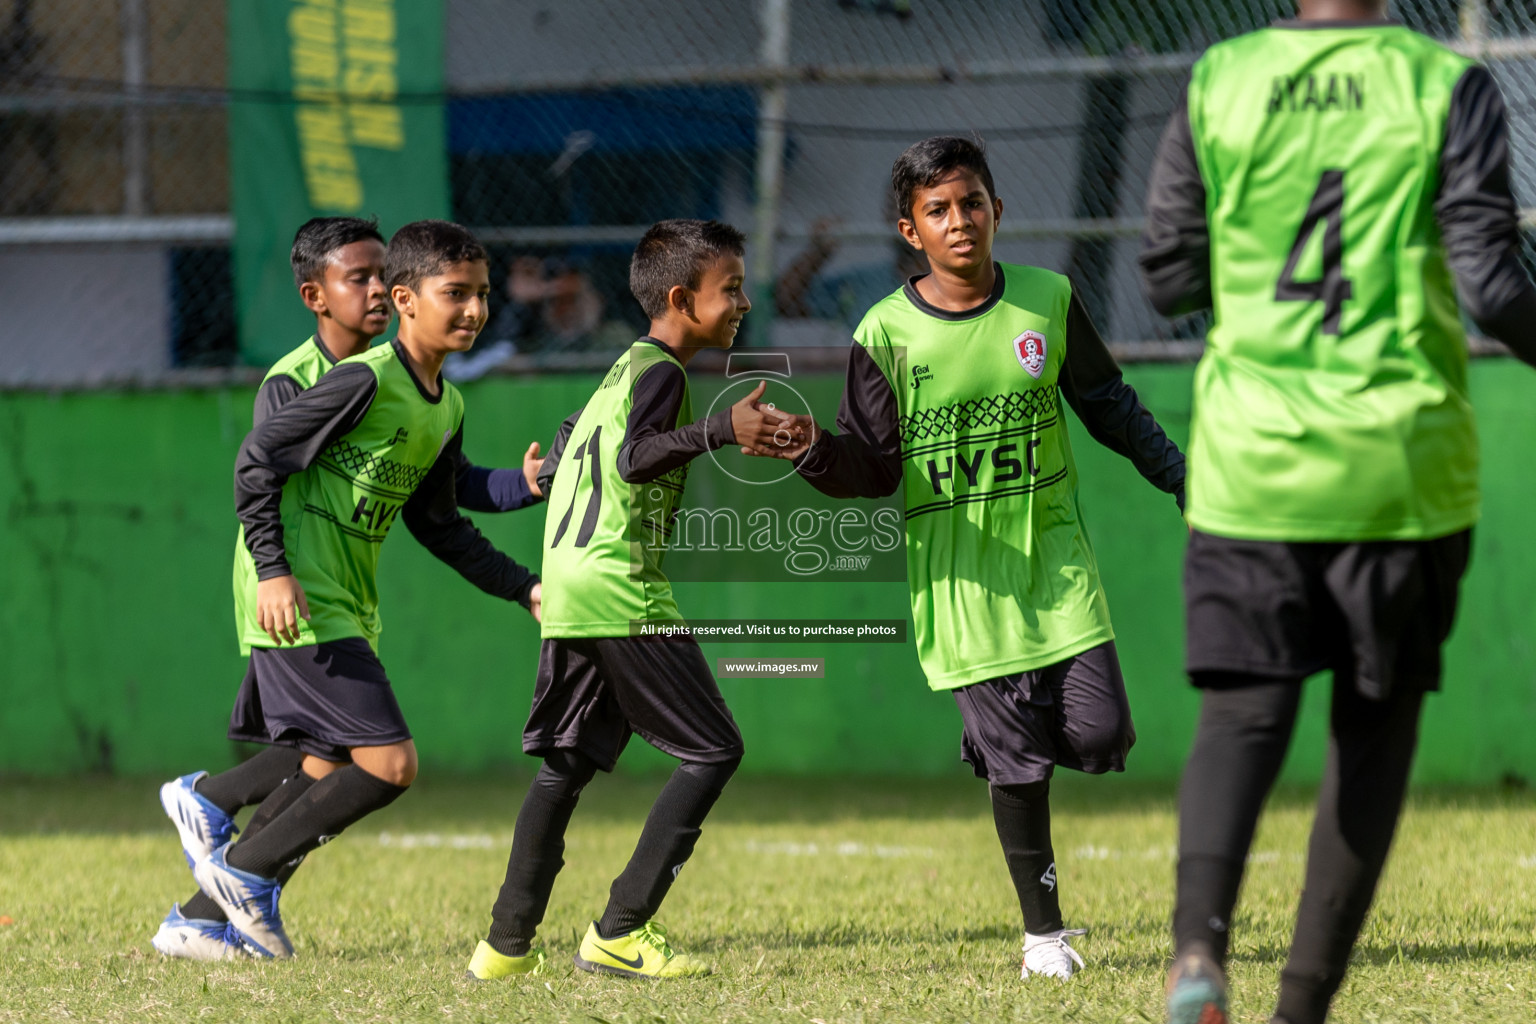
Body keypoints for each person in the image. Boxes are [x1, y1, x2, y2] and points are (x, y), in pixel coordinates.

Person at [1138, 3, 1536, 1022]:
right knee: (1373, 726)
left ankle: (1197, 955)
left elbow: (1173, 276)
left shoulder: (1218, 82)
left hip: (1251, 463)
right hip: (1398, 470)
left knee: (1240, 713)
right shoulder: (1446, 84)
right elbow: (1493, 288)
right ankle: (1301, 1007)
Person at [758, 136, 1186, 980]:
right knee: (1021, 764)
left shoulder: (1048, 300)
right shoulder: (883, 330)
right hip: (960, 588)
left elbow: (1107, 405)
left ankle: (1000, 749)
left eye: (972, 203)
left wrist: (1182, 476)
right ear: (910, 231)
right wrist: (812, 448)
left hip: (1056, 568)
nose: (960, 222)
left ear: (997, 209)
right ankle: (1044, 938)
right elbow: (875, 470)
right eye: (938, 211)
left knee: (1101, 734)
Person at [151, 217, 547, 961]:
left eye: (481, 295)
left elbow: (443, 508)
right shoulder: (335, 380)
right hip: (299, 596)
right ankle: (234, 853)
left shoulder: (435, 399)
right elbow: (259, 466)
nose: (472, 309)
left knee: (322, 762)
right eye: (452, 293)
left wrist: (524, 527)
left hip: (344, 599)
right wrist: (273, 571)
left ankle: (203, 914)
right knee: (383, 762)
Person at [465, 219, 802, 981]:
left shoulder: (623, 368)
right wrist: (725, 429)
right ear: (682, 298)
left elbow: (578, 446)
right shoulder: (664, 375)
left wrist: (550, 463)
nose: (745, 301)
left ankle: (504, 947)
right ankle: (620, 930)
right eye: (733, 289)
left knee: (565, 768)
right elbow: (635, 455)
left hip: (573, 587)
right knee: (715, 749)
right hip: (620, 588)